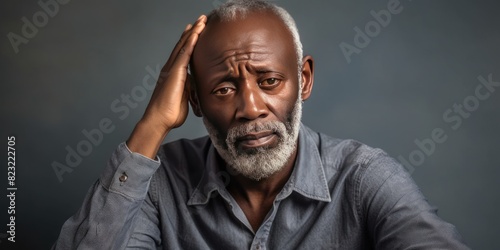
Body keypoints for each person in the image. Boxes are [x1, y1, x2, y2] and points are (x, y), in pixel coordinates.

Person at [53, 0, 469, 249]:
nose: (251, 108)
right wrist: (152, 125)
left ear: (303, 80)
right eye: (223, 89)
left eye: (269, 81)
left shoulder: (364, 180)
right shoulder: (162, 184)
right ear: (194, 100)